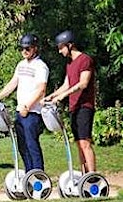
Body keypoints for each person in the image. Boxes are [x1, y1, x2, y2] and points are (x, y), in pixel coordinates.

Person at [0, 34, 49, 172]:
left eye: (27, 48)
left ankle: (38, 174)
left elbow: (41, 90)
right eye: (22, 48)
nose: (24, 51)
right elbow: (13, 83)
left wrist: (28, 106)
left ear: (35, 48)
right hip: (20, 112)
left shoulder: (41, 66)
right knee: (22, 145)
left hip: (33, 112)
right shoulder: (21, 65)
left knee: (31, 144)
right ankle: (29, 174)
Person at [43, 30, 97, 173]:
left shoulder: (85, 60)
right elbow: (66, 85)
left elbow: (83, 83)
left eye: (61, 47)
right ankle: (85, 176)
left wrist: (64, 96)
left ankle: (93, 176)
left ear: (70, 45)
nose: (60, 51)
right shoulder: (70, 64)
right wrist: (52, 96)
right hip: (74, 107)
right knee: (79, 144)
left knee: (85, 143)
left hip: (85, 106)